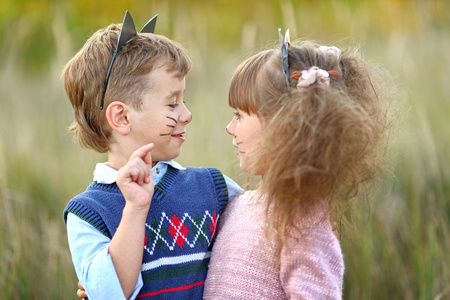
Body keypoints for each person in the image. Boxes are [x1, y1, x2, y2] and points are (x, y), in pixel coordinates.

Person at [62, 11, 241, 300]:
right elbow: (108, 293)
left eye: (183, 100)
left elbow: (267, 220)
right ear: (121, 117)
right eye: (172, 104)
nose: (187, 114)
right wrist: (135, 210)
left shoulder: (212, 187)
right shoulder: (88, 213)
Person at [203, 37, 393, 299]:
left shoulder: (302, 218)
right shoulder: (234, 205)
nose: (230, 128)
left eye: (239, 115)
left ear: (282, 128)